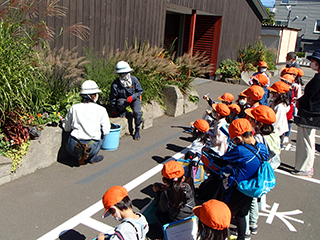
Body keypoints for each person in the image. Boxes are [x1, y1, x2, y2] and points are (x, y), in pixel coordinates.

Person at [223, 118, 269, 240]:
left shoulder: (240, 150)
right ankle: (242, 237)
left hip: (239, 187)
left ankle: (222, 234)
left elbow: (225, 158)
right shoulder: (262, 147)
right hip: (252, 187)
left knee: (227, 212)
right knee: (242, 214)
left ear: (238, 138)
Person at [244, 105, 281, 236]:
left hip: (257, 171)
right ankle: (253, 224)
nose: (250, 121)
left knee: (249, 199)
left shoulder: (259, 138)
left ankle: (247, 228)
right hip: (268, 169)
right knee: (255, 197)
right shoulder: (274, 134)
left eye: (252, 119)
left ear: (258, 123)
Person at [62, 80, 110, 165]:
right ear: (93, 96)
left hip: (73, 146)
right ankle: (92, 156)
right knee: (103, 134)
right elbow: (106, 130)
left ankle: (76, 155)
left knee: (69, 135)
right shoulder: (101, 109)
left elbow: (66, 128)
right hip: (91, 148)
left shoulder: (74, 108)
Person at [293, 49, 320, 177]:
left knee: (306, 140)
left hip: (310, 113)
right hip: (313, 113)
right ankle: (305, 166)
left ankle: (305, 168)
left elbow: (310, 94)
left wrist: (300, 101)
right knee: (308, 140)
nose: (312, 63)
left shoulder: (318, 79)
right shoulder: (317, 77)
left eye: (314, 61)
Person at [153, 160, 195, 226]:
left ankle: (165, 231)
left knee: (158, 213)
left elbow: (162, 209)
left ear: (164, 180)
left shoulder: (165, 194)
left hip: (176, 222)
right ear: (183, 179)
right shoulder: (187, 187)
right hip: (192, 218)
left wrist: (158, 192)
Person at [109, 61, 143, 140]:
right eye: (122, 73)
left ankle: (137, 129)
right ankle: (122, 111)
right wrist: (114, 110)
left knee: (137, 112)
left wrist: (133, 97)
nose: (124, 75)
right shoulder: (115, 84)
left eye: (126, 72)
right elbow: (113, 98)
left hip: (134, 99)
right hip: (123, 99)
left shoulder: (134, 80)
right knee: (120, 103)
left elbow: (140, 91)